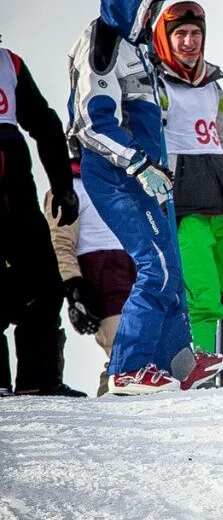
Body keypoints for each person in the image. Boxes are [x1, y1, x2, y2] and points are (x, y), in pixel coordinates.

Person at [67, 0, 223, 393]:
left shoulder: (138, 48)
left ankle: (177, 360)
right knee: (152, 265)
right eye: (146, 7)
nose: (151, 16)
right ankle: (128, 366)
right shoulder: (100, 44)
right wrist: (137, 164)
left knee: (172, 267)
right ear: (124, 4)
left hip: (150, 173)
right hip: (117, 172)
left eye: (155, 7)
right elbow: (93, 123)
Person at [151, 1, 223, 386]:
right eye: (181, 34)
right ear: (166, 38)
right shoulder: (155, 81)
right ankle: (201, 377)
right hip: (186, 207)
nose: (190, 42)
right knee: (204, 298)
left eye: (196, 34)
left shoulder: (213, 85)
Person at [0, 37, 84, 397]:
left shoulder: (9, 64)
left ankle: (39, 380)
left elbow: (45, 123)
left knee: (45, 286)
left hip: (17, 193)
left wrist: (63, 185)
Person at [43, 156, 137, 396]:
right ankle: (111, 411)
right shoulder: (69, 188)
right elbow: (60, 243)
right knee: (125, 354)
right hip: (101, 276)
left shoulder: (122, 183)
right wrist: (73, 290)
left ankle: (119, 407)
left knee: (141, 358)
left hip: (133, 271)